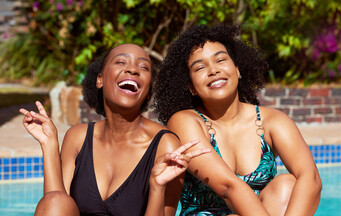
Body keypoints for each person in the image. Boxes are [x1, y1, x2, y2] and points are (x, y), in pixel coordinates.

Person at [20, 44, 210, 216]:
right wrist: (49, 145)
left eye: (143, 67)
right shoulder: (77, 137)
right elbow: (56, 206)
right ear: (100, 80)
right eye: (121, 62)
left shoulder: (165, 145)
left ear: (148, 93)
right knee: (55, 200)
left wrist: (157, 186)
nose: (132, 69)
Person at [154, 24, 322, 216]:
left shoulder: (272, 121)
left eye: (220, 60)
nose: (213, 70)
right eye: (200, 67)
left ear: (237, 69)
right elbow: (228, 188)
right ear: (191, 86)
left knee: (287, 185)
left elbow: (311, 179)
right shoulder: (185, 121)